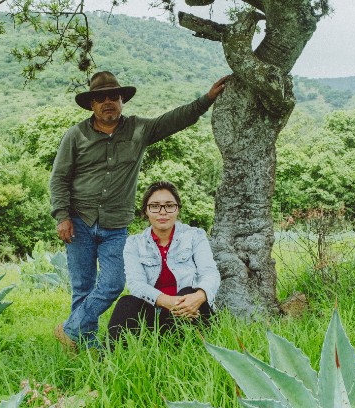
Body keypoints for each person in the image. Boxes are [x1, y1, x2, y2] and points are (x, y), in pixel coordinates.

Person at [49, 71, 226, 351]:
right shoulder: (76, 135)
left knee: (112, 284)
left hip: (115, 224)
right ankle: (84, 347)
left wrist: (207, 99)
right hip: (78, 220)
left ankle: (69, 329)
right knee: (83, 288)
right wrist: (61, 216)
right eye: (100, 98)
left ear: (122, 100)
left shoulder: (138, 130)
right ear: (91, 104)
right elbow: (58, 178)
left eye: (113, 97)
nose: (108, 102)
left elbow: (174, 120)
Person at [107, 181, 220, 345]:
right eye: (155, 206)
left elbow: (210, 273)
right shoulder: (134, 243)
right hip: (155, 311)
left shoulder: (195, 236)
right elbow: (136, 284)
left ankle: (179, 349)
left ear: (177, 209)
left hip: (191, 308)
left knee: (187, 291)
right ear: (146, 210)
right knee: (127, 303)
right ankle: (107, 360)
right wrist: (168, 301)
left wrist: (199, 296)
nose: (162, 212)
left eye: (169, 206)